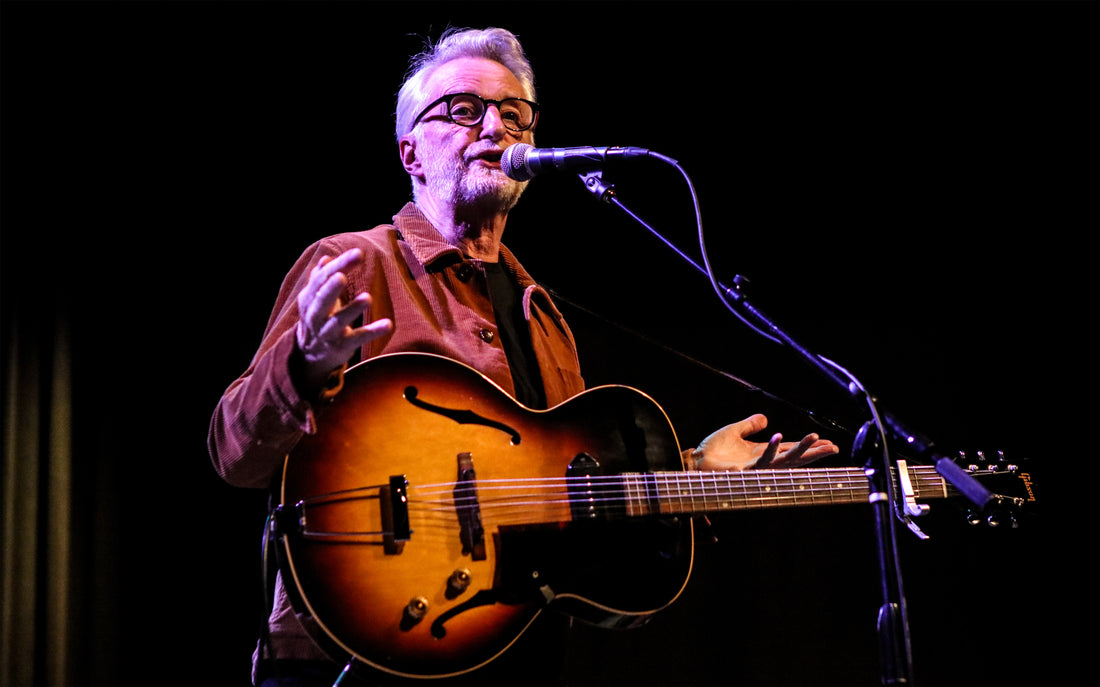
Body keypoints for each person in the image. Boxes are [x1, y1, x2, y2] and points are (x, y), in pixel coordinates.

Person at [208, 26, 838, 687]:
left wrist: (694, 472)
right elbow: (234, 452)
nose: (495, 126)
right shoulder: (353, 262)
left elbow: (553, 485)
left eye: (515, 115)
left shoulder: (545, 315)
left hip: (513, 654)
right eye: (464, 109)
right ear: (410, 151)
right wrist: (304, 364)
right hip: (355, 659)